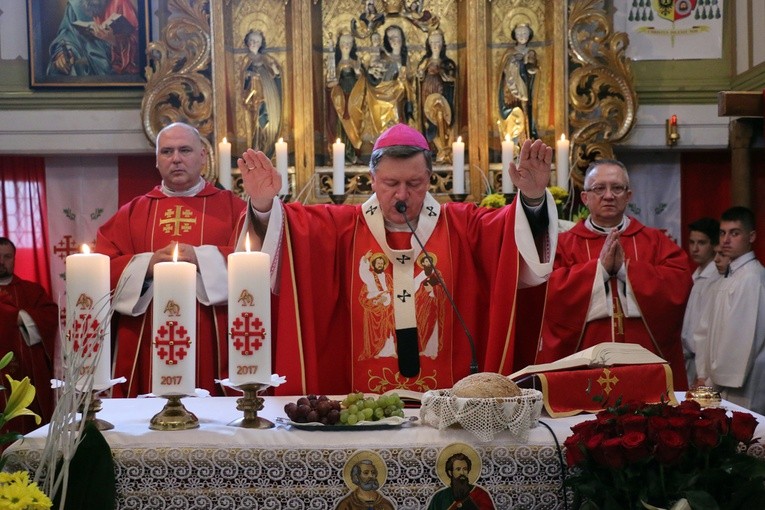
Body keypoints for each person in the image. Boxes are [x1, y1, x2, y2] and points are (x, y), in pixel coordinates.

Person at [236, 123, 556, 396]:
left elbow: (516, 249)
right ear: (372, 180)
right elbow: (288, 236)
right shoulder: (338, 229)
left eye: (413, 184)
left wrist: (531, 198)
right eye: (391, 184)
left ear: (429, 179)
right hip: (357, 404)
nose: (402, 195)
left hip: (451, 404)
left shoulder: (465, 227)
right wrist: (264, 204)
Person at [95, 122, 246, 397]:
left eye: (184, 150)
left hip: (209, 333)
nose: (176, 158)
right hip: (148, 336)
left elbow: (254, 264)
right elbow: (100, 269)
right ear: (157, 160)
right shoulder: (133, 212)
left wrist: (201, 257)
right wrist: (147, 265)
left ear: (203, 156)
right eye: (167, 151)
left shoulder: (232, 208)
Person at [537, 159, 692, 389]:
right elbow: (548, 291)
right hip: (585, 358)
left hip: (643, 357)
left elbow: (679, 281)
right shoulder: (565, 245)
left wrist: (625, 270)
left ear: (628, 195)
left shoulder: (655, 241)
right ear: (585, 197)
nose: (608, 195)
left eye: (617, 188)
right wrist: (598, 270)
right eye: (599, 188)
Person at [694, 206, 765, 413]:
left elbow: (738, 339)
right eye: (723, 233)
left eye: (735, 233)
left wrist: (710, 381)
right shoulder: (731, 275)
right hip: (716, 380)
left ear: (751, 236)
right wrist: (703, 373)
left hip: (740, 384)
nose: (726, 240)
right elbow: (706, 330)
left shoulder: (751, 278)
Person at [0, 238, 58, 434]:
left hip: (27, 372)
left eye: (7, 257)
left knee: (29, 426)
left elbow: (50, 316)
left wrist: (21, 317)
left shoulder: (31, 291)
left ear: (14, 259)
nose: (1, 262)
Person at [47, 0, 140, 77]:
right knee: (61, 67)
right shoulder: (75, 7)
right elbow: (66, 34)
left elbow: (137, 41)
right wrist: (63, 54)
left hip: (110, 62)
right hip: (81, 55)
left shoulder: (120, 3)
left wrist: (113, 40)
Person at [681, 217, 721, 386]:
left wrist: (703, 372)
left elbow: (708, 327)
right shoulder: (695, 275)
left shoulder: (716, 277)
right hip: (688, 357)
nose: (695, 248)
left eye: (701, 243)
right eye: (691, 242)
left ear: (713, 245)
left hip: (703, 360)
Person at [416, 28, 457, 163]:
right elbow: (418, 78)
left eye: (438, 42)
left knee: (443, 121)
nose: (435, 45)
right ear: (429, 44)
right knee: (430, 122)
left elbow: (453, 80)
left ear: (442, 44)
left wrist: (445, 76)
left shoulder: (447, 63)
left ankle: (444, 148)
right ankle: (434, 149)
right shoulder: (425, 61)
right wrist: (421, 74)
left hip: (442, 95)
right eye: (432, 42)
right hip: (427, 94)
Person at [242, 29, 283, 157]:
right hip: (253, 93)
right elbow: (240, 76)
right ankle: (256, 147)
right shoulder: (245, 60)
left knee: (268, 117)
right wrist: (249, 74)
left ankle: (267, 146)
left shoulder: (266, 58)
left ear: (261, 44)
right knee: (256, 119)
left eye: (257, 41)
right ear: (247, 43)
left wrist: (276, 70)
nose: (254, 43)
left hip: (268, 91)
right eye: (251, 41)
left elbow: (276, 74)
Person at [326, 30, 364, 162]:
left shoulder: (355, 62)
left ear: (352, 45)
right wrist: (334, 83)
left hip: (354, 96)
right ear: (339, 45)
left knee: (355, 122)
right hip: (340, 98)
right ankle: (343, 155)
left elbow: (362, 80)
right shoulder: (335, 64)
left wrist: (359, 73)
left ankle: (354, 152)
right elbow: (329, 82)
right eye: (343, 43)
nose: (346, 46)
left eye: (349, 43)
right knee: (341, 124)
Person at [498, 23, 538, 143]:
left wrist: (528, 64)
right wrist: (515, 60)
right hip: (510, 88)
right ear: (514, 35)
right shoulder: (509, 52)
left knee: (524, 111)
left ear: (529, 35)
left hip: (524, 87)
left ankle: (525, 141)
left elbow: (533, 69)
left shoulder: (531, 52)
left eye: (525, 33)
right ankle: (512, 142)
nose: (522, 36)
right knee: (513, 111)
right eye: (519, 33)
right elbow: (503, 68)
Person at [427, 452, 495, 510]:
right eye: (458, 469)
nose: (462, 473)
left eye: (465, 469)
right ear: (450, 472)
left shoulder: (480, 494)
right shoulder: (440, 497)